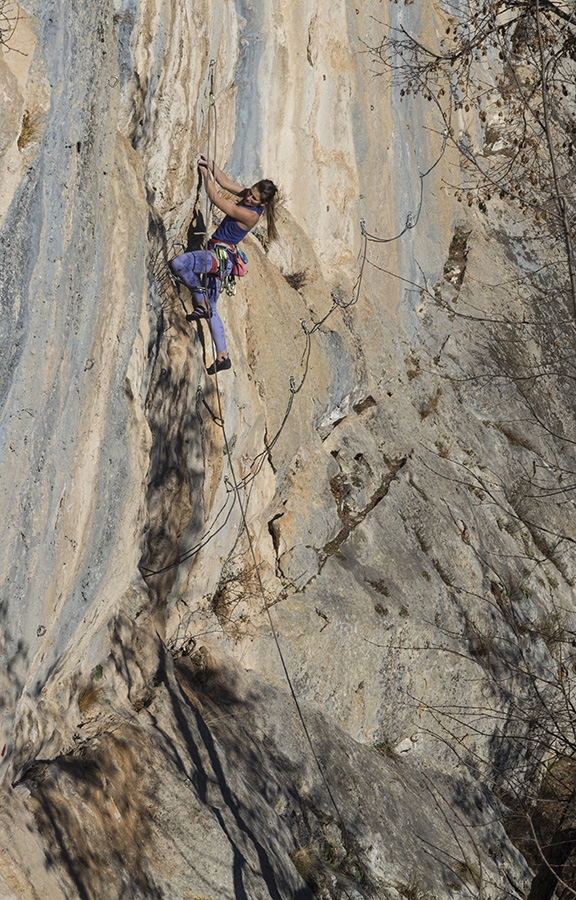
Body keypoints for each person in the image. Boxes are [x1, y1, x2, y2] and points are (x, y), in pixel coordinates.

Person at [170, 155, 278, 374]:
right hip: (221, 260)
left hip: (218, 258)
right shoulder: (249, 198)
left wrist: (205, 176)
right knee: (212, 309)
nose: (249, 197)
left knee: (179, 263)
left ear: (262, 205)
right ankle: (223, 356)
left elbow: (217, 199)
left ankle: (200, 301)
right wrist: (212, 166)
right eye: (250, 192)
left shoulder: (249, 215)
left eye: (255, 198)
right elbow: (227, 183)